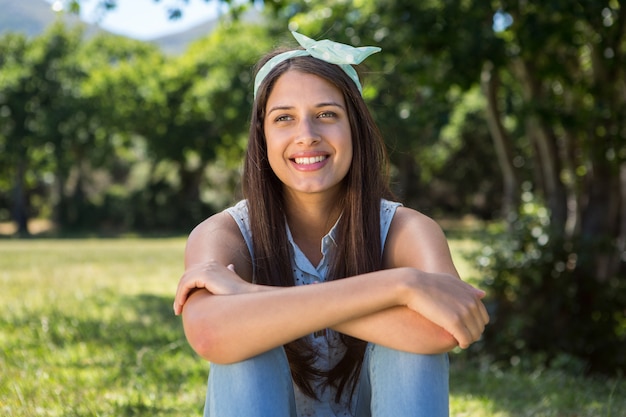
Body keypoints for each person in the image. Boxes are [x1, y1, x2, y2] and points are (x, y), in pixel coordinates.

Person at [173, 30, 489, 417]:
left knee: (411, 350)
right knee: (244, 347)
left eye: (326, 115)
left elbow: (444, 331)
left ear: (354, 127)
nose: (306, 136)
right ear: (262, 136)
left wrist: (250, 298)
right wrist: (399, 285)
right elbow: (210, 334)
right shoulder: (222, 233)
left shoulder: (409, 230)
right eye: (284, 118)